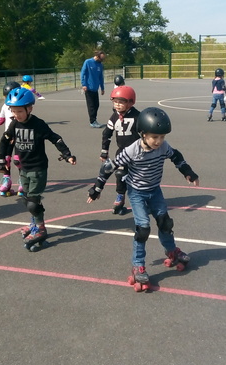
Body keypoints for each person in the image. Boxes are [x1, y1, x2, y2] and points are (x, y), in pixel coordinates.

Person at [87, 107, 199, 292]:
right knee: (143, 228)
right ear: (143, 134)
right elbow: (109, 166)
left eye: (162, 137)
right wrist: (97, 188)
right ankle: (138, 264)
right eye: (155, 137)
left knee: (165, 222)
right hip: (137, 193)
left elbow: (176, 156)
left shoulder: (163, 146)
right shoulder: (132, 150)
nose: (159, 141)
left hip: (155, 190)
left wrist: (188, 173)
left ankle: (171, 251)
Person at [0, 87, 76, 250]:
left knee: (32, 202)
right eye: (13, 111)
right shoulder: (14, 124)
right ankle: (35, 224)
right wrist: (1, 160)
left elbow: (56, 138)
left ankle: (40, 228)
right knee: (25, 198)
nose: (16, 114)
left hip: (38, 169)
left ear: (29, 108)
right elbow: (4, 142)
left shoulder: (38, 125)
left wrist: (67, 154)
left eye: (19, 111)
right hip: (23, 169)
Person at [100, 85, 140, 215]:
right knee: (120, 175)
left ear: (130, 102)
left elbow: (146, 134)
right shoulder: (114, 117)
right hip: (122, 152)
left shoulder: (137, 116)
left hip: (137, 153)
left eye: (120, 102)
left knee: (139, 177)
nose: (117, 105)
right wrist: (104, 151)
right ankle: (120, 197)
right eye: (115, 101)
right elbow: (107, 134)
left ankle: (141, 199)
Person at [0, 81, 22, 197]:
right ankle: (7, 179)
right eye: (7, 97)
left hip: (20, 136)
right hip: (8, 135)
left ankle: (23, 180)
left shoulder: (21, 106)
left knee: (18, 159)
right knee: (6, 159)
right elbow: (1, 119)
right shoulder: (5, 106)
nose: (8, 99)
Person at [81, 50, 106, 128]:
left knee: (96, 105)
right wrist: (84, 84)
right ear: (97, 56)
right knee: (91, 106)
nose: (102, 61)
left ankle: (94, 120)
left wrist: (102, 87)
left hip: (95, 88)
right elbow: (83, 73)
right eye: (101, 59)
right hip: (88, 88)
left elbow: (100, 77)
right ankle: (92, 121)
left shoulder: (100, 65)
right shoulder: (88, 62)